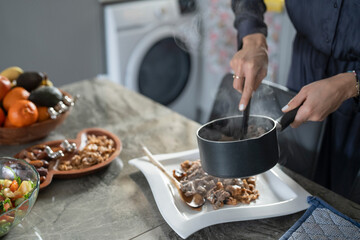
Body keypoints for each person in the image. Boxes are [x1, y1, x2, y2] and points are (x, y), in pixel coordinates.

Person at [230, 0, 360, 204]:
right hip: (305, 62)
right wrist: (252, 34)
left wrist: (352, 83)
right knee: (293, 179)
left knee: (343, 202)